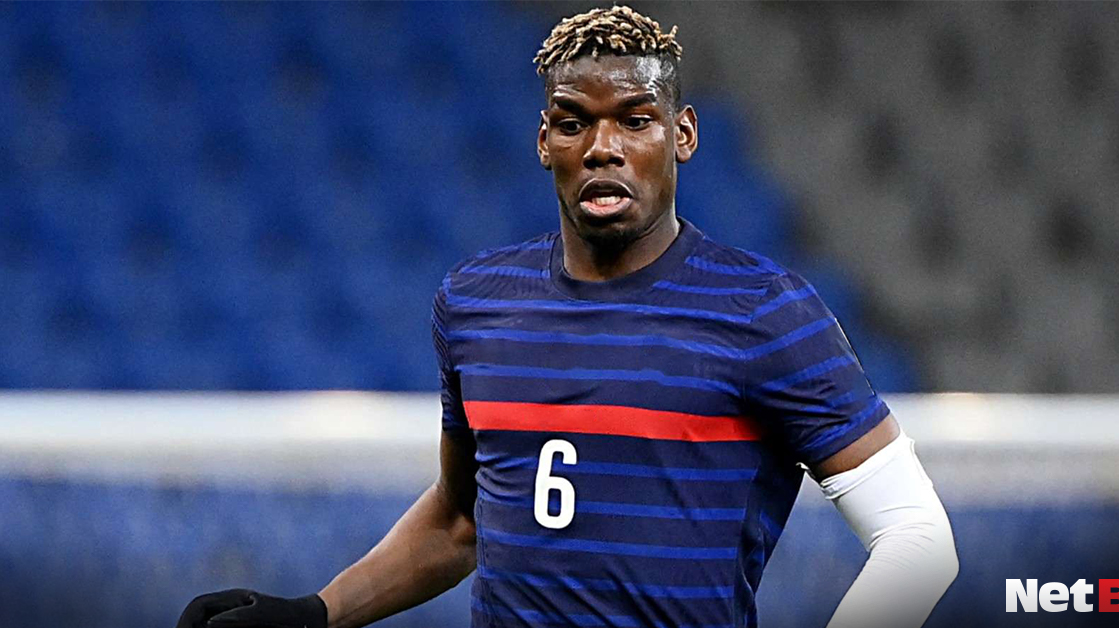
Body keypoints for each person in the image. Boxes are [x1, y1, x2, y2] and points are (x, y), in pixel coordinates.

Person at [177, 6, 957, 628]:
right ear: (545, 141)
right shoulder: (477, 302)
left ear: (683, 136)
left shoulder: (765, 311)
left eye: (636, 119)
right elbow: (462, 520)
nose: (603, 147)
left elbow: (917, 538)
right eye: (575, 121)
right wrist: (317, 613)